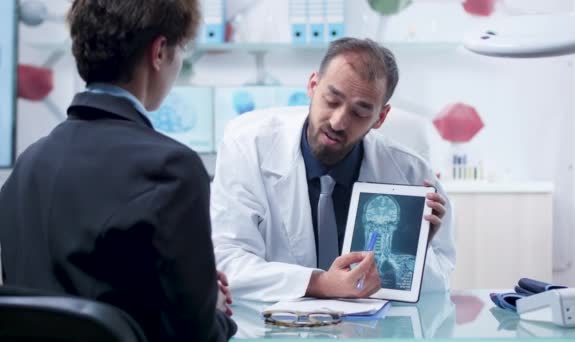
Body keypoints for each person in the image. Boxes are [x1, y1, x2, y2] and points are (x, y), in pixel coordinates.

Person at [0, 1, 236, 341]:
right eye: (180, 49)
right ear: (158, 52)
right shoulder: (173, 169)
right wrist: (211, 307)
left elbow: (72, 296)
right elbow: (196, 336)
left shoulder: (27, 166)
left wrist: (189, 288)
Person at [211, 37, 456, 302]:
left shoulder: (411, 173)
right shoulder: (248, 146)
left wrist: (414, 249)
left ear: (380, 118)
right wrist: (321, 283)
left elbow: (440, 286)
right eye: (331, 100)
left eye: (360, 112)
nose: (338, 122)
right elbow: (227, 260)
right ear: (313, 86)